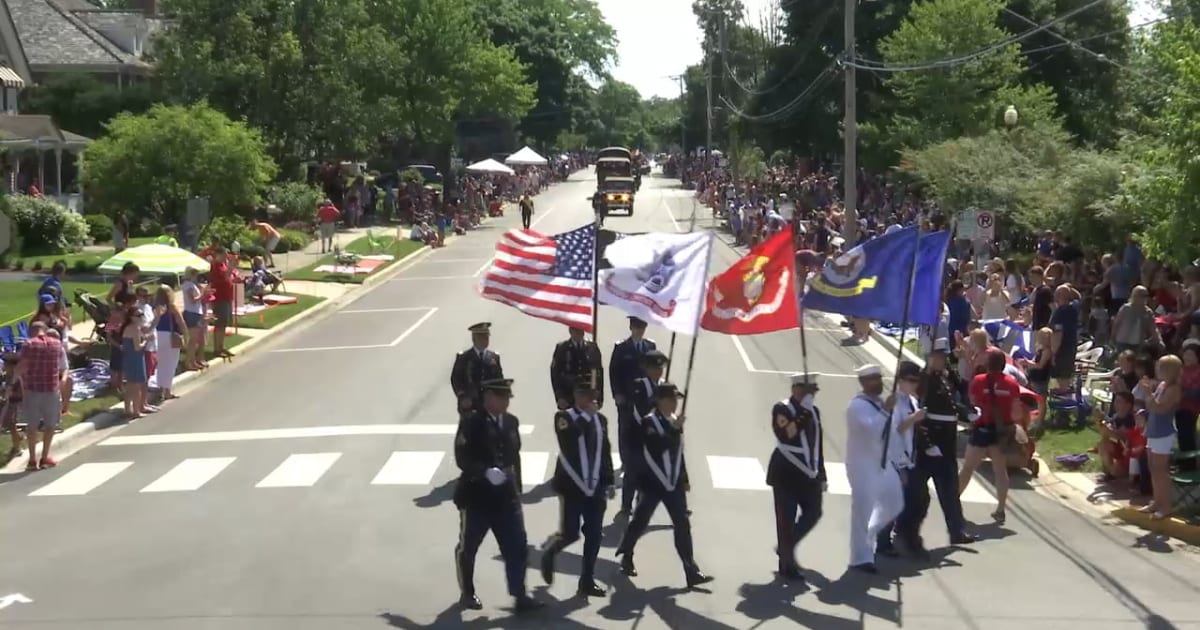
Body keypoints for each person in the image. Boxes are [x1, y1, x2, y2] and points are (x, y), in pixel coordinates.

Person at [451, 378, 541, 612]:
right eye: (501, 397)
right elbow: (462, 457)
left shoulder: (511, 422)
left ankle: (520, 595)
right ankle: (467, 593)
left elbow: (515, 455)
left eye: (507, 398)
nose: (506, 402)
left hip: (506, 497)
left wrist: (517, 488)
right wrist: (484, 472)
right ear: (488, 397)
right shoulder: (472, 422)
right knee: (468, 547)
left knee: (517, 546)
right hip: (478, 497)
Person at [614, 383, 713, 588]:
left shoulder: (675, 422)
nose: (675, 403)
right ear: (659, 401)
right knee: (640, 521)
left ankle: (690, 569)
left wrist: (684, 478)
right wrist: (673, 430)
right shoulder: (649, 422)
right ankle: (627, 555)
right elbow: (658, 446)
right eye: (670, 399)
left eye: (676, 399)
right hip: (652, 482)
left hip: (673, 482)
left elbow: (678, 453)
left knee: (682, 524)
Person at [896, 339, 976, 551]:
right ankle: (902, 528)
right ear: (929, 358)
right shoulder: (922, 380)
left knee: (950, 489)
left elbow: (954, 400)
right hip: (929, 443)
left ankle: (956, 530)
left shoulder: (944, 377)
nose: (941, 360)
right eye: (937, 357)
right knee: (917, 494)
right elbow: (918, 415)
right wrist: (927, 443)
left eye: (943, 357)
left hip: (947, 442)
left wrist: (966, 413)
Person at [541, 374, 615, 598]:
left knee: (594, 534)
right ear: (575, 396)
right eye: (584, 395)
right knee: (571, 534)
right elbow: (570, 441)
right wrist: (586, 417)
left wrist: (609, 480)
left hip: (595, 486)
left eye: (592, 395)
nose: (589, 399)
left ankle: (587, 580)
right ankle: (550, 552)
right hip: (573, 486)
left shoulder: (600, 420)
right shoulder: (564, 417)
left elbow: (605, 451)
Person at [845, 364, 913, 574]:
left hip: (883, 464)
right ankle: (861, 558)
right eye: (873, 379)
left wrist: (900, 464)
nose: (878, 382)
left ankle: (868, 536)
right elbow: (872, 431)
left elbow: (891, 436)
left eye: (879, 377)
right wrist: (886, 410)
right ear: (864, 383)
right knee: (863, 510)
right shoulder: (857, 406)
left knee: (895, 502)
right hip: (862, 465)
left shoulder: (881, 404)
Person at [767, 373, 826, 582]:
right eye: (805, 391)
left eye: (812, 392)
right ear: (795, 389)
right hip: (786, 473)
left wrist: (822, 474)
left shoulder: (814, 411)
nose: (810, 395)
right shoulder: (782, 408)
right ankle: (786, 566)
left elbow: (817, 443)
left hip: (809, 474)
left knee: (814, 513)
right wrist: (804, 411)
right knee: (786, 520)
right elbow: (787, 433)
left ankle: (786, 547)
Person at [962, 349, 1021, 524]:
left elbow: (972, 402)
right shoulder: (1012, 384)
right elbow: (1016, 411)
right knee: (1000, 470)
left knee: (967, 468)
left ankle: (954, 504)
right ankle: (1001, 509)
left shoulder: (978, 381)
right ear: (1004, 365)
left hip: (981, 429)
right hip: (1000, 431)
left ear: (988, 364)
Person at [609, 316, 657, 516]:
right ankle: (625, 458)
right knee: (625, 433)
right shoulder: (621, 348)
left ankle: (640, 501)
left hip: (646, 403)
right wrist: (617, 394)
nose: (639, 330)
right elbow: (614, 372)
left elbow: (655, 371)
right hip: (627, 401)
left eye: (642, 327)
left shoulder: (650, 346)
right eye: (636, 327)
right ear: (631, 328)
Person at [875, 361, 922, 557]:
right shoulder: (894, 402)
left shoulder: (911, 400)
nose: (914, 384)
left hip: (909, 458)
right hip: (895, 460)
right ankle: (882, 541)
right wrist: (900, 465)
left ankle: (896, 535)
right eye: (910, 380)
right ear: (900, 380)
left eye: (916, 381)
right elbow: (894, 433)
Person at [16, 322, 67, 471]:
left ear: (32, 331)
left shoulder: (29, 344)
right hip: (51, 389)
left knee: (31, 426)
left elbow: (23, 365)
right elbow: (61, 366)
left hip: (32, 389)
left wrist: (13, 381)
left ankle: (32, 459)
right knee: (50, 425)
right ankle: (45, 457)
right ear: (45, 330)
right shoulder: (57, 344)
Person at [450, 323, 505, 417]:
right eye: (483, 337)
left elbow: (499, 379)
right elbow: (456, 379)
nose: (486, 340)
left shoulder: (494, 357)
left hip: (489, 404)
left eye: (487, 336)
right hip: (471, 404)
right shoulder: (464, 358)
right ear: (475, 338)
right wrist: (462, 396)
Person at [549, 325, 605, 410]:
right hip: (568, 396)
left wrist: (598, 397)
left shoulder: (592, 347)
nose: (579, 334)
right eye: (576, 331)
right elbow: (556, 375)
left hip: (588, 397)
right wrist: (559, 397)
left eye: (581, 331)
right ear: (570, 331)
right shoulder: (562, 348)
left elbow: (597, 373)